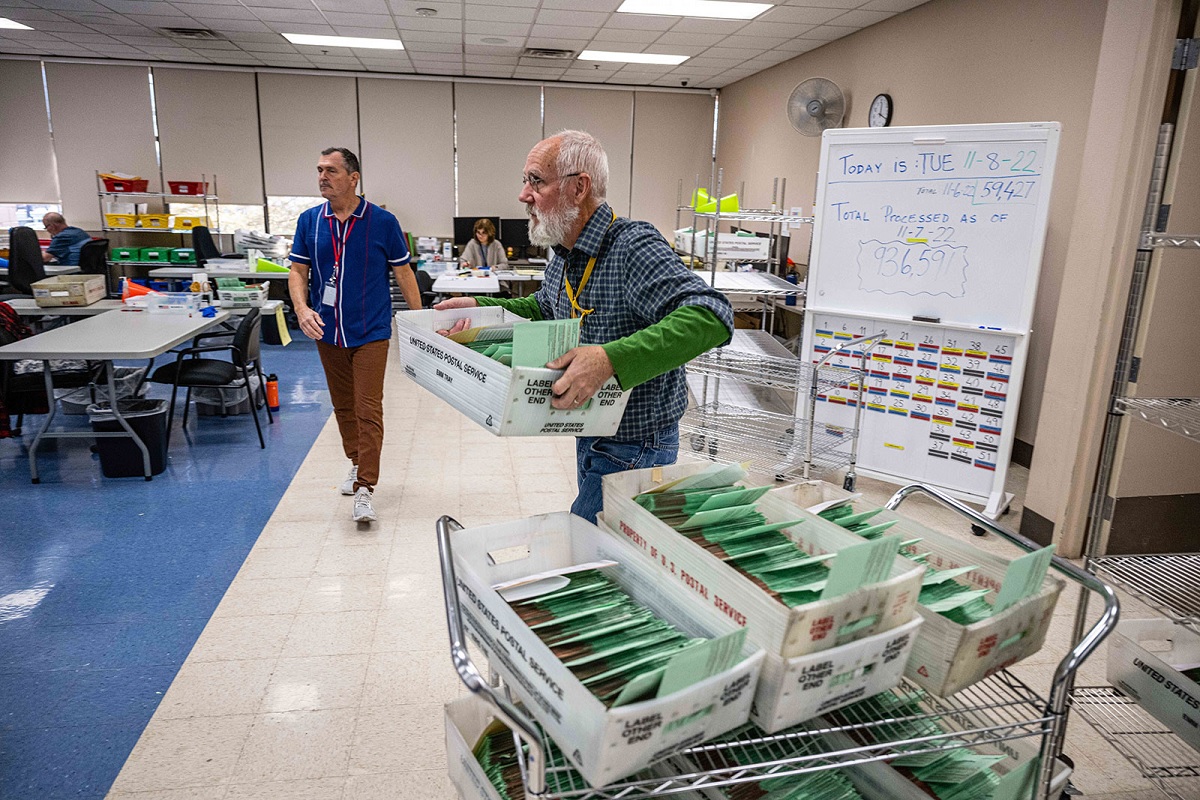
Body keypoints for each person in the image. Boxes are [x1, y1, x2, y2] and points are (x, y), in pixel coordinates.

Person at [435, 130, 734, 523]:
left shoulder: (633, 246)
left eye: (536, 181)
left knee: (588, 550)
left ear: (579, 187)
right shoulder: (564, 252)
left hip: (637, 444)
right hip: (592, 431)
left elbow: (712, 315)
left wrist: (610, 359)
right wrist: (481, 305)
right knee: (609, 552)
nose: (524, 195)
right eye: (526, 181)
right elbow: (545, 307)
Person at [288, 146, 423, 524]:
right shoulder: (309, 221)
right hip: (327, 331)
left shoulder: (382, 222)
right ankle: (355, 460)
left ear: (353, 177)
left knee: (368, 408)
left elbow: (404, 273)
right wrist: (301, 310)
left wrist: (421, 322)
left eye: (331, 170)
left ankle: (365, 487)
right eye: (319, 170)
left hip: (371, 331)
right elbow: (298, 273)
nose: (322, 177)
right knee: (343, 406)